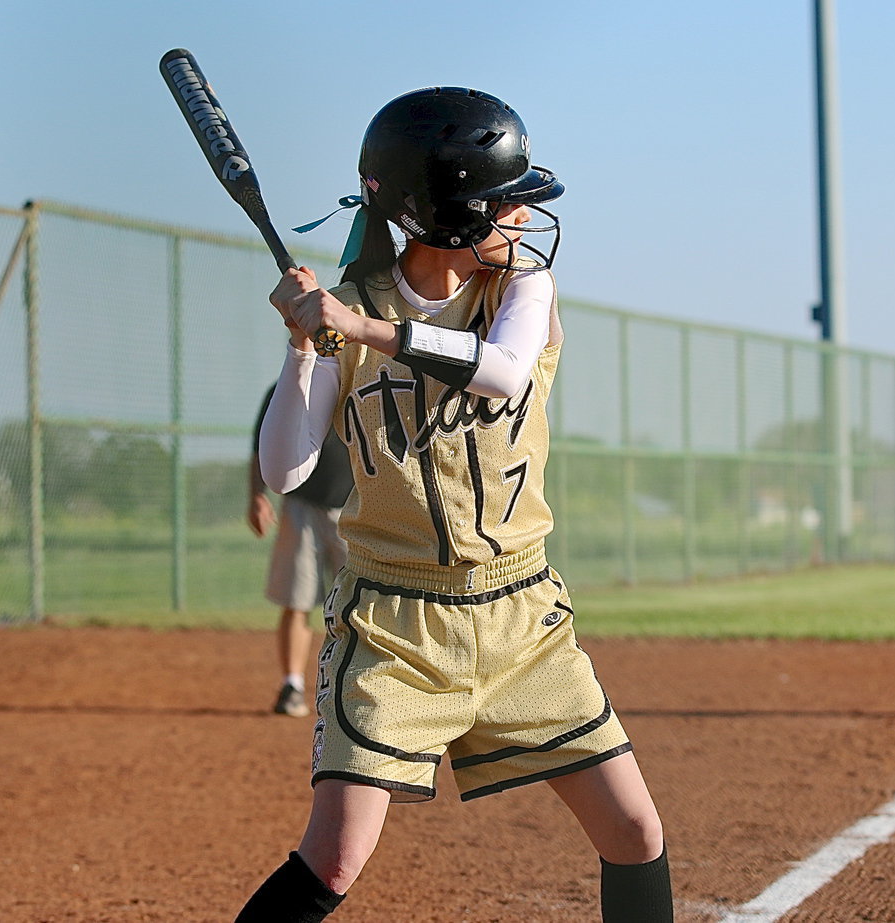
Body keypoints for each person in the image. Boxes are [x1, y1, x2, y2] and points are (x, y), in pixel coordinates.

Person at [239, 87, 673, 922]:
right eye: (508, 202)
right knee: (333, 856)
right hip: (394, 627)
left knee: (634, 828)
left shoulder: (523, 289)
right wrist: (302, 347)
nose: (525, 216)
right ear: (448, 214)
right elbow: (286, 469)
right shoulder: (350, 309)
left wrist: (363, 331)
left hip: (522, 617)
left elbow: (502, 371)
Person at [248, 385, 352, 717]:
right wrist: (257, 495)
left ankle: (354, 688)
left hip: (356, 509)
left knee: (359, 606)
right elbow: (262, 445)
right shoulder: (289, 386)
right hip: (301, 503)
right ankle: (292, 685)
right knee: (297, 599)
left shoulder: (362, 380)